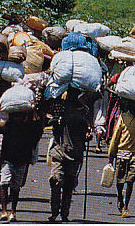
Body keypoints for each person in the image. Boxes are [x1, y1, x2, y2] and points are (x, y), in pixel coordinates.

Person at [0, 110, 44, 222]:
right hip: (8, 159)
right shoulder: (8, 126)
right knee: (4, 184)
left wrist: (34, 112)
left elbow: (39, 129)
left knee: (15, 188)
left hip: (21, 160)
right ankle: (4, 211)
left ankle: (12, 211)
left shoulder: (29, 128)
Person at [47, 89, 91, 222]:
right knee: (56, 180)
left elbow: (87, 130)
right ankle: (54, 212)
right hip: (59, 151)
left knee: (69, 185)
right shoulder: (59, 109)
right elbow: (49, 122)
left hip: (75, 152)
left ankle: (64, 213)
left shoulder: (83, 111)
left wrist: (88, 135)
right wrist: (55, 122)